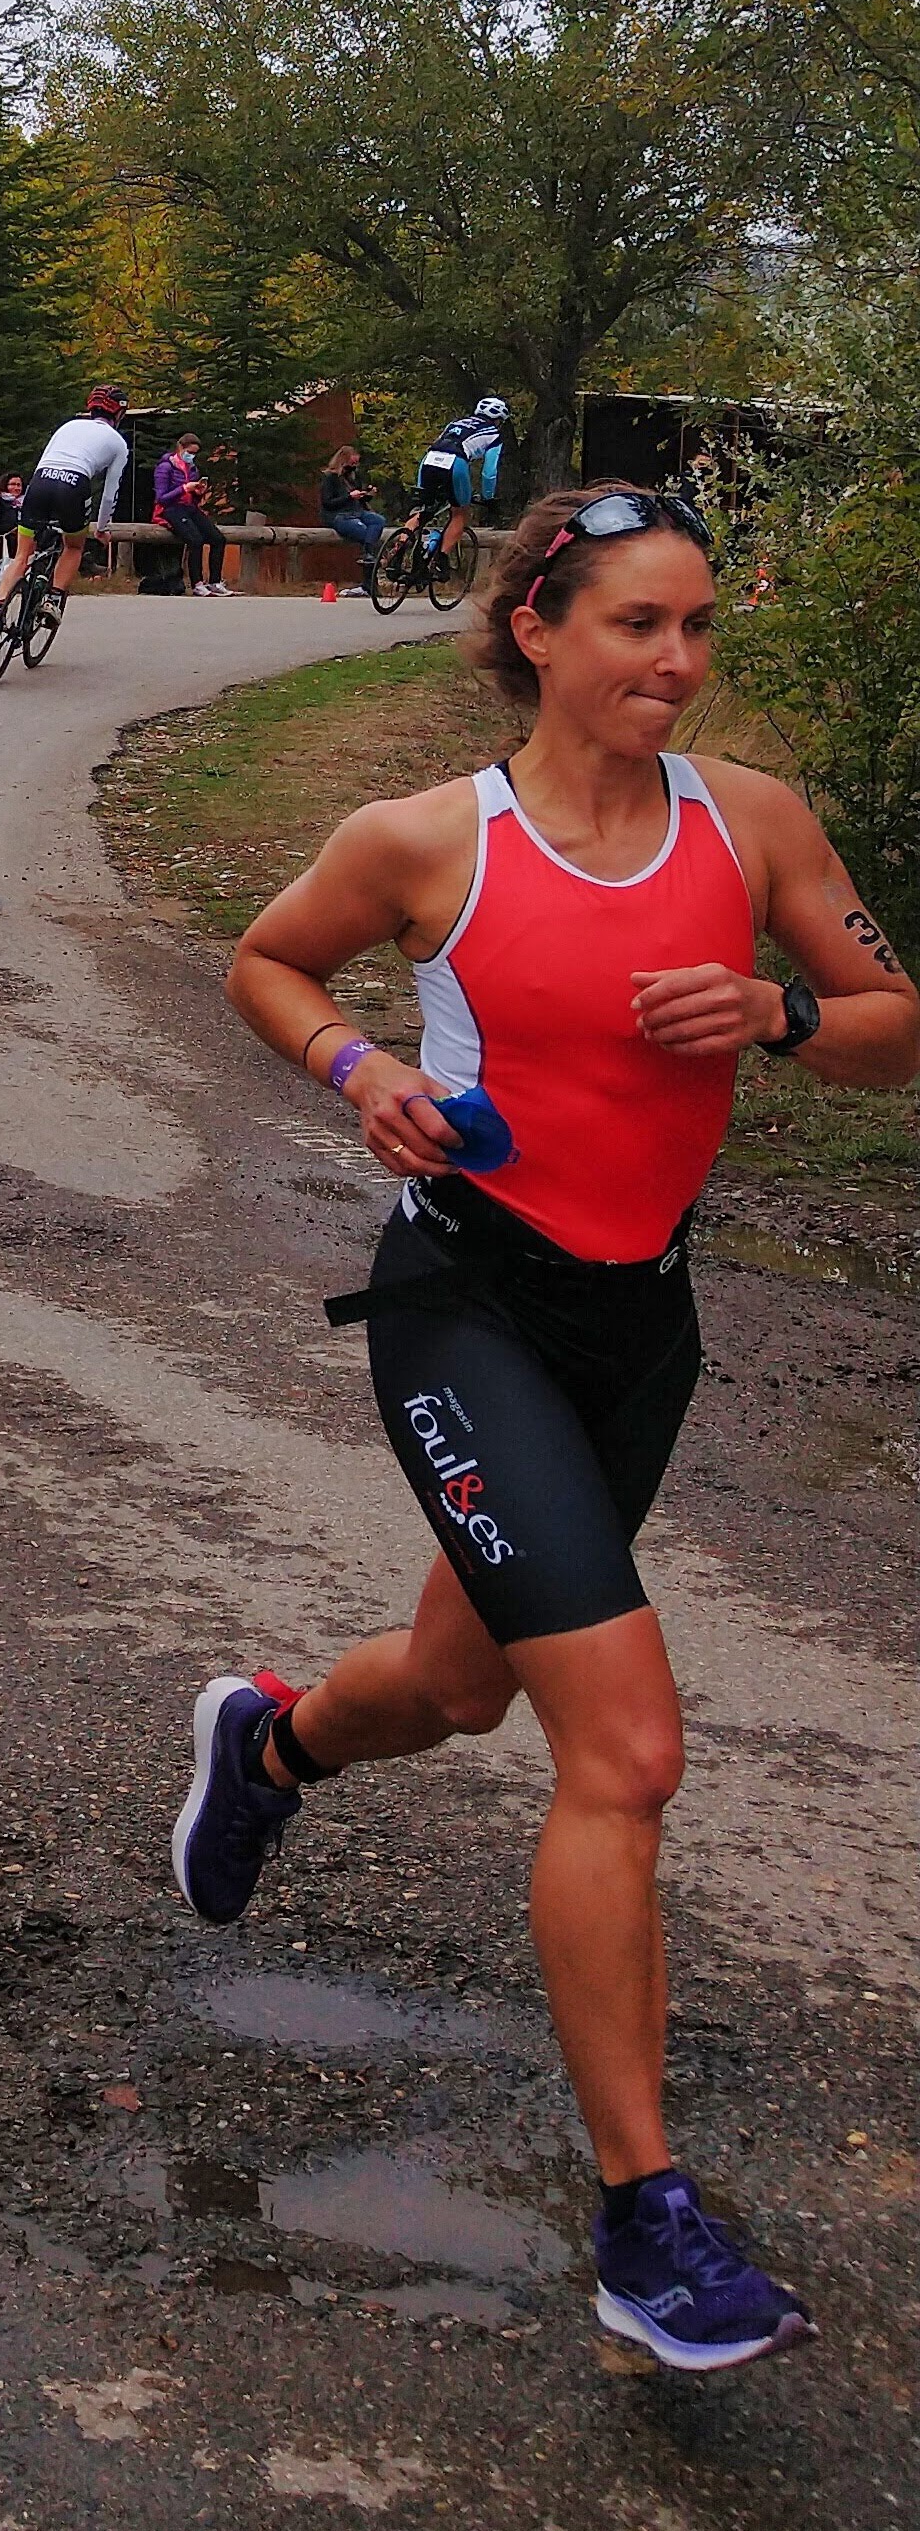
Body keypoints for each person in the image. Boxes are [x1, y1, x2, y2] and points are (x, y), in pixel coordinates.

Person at [177, 485, 918, 2374]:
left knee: (458, 1682)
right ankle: (645, 2221)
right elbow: (267, 961)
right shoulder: (429, 839)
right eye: (635, 625)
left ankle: (269, 1745)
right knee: (627, 1749)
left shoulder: (751, 824)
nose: (675, 660)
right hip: (468, 1308)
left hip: (638, 1324)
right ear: (538, 629)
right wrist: (359, 1066)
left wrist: (775, 1013)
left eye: (695, 628)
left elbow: (893, 1023)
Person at [0, 384, 134, 618]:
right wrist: (102, 528)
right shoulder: (118, 442)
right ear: (119, 413)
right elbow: (110, 493)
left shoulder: (68, 425)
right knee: (73, 546)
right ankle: (53, 599)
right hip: (73, 485)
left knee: (21, 555)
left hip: (41, 481)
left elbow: (44, 461)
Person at [417, 398, 508, 560]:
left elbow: (438, 443)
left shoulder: (455, 424)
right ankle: (441, 560)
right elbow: (489, 472)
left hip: (429, 460)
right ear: (498, 420)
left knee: (421, 510)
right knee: (459, 513)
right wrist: (488, 497)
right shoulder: (494, 435)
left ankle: (398, 550)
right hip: (455, 462)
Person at [155, 433, 232, 596]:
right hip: (171, 509)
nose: (191, 456)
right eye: (189, 452)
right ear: (181, 447)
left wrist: (197, 492)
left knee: (218, 539)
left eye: (194, 453)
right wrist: (184, 488)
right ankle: (197, 583)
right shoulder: (165, 467)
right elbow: (161, 498)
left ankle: (215, 582)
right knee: (195, 540)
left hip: (189, 507)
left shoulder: (192, 469)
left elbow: (193, 497)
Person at [320, 443, 386, 585]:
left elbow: (359, 501)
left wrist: (367, 495)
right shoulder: (330, 478)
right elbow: (327, 502)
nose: (354, 467)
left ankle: (368, 555)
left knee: (378, 520)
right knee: (364, 532)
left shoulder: (353, 477)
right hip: (338, 515)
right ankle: (369, 571)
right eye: (352, 464)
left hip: (356, 512)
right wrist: (349, 497)